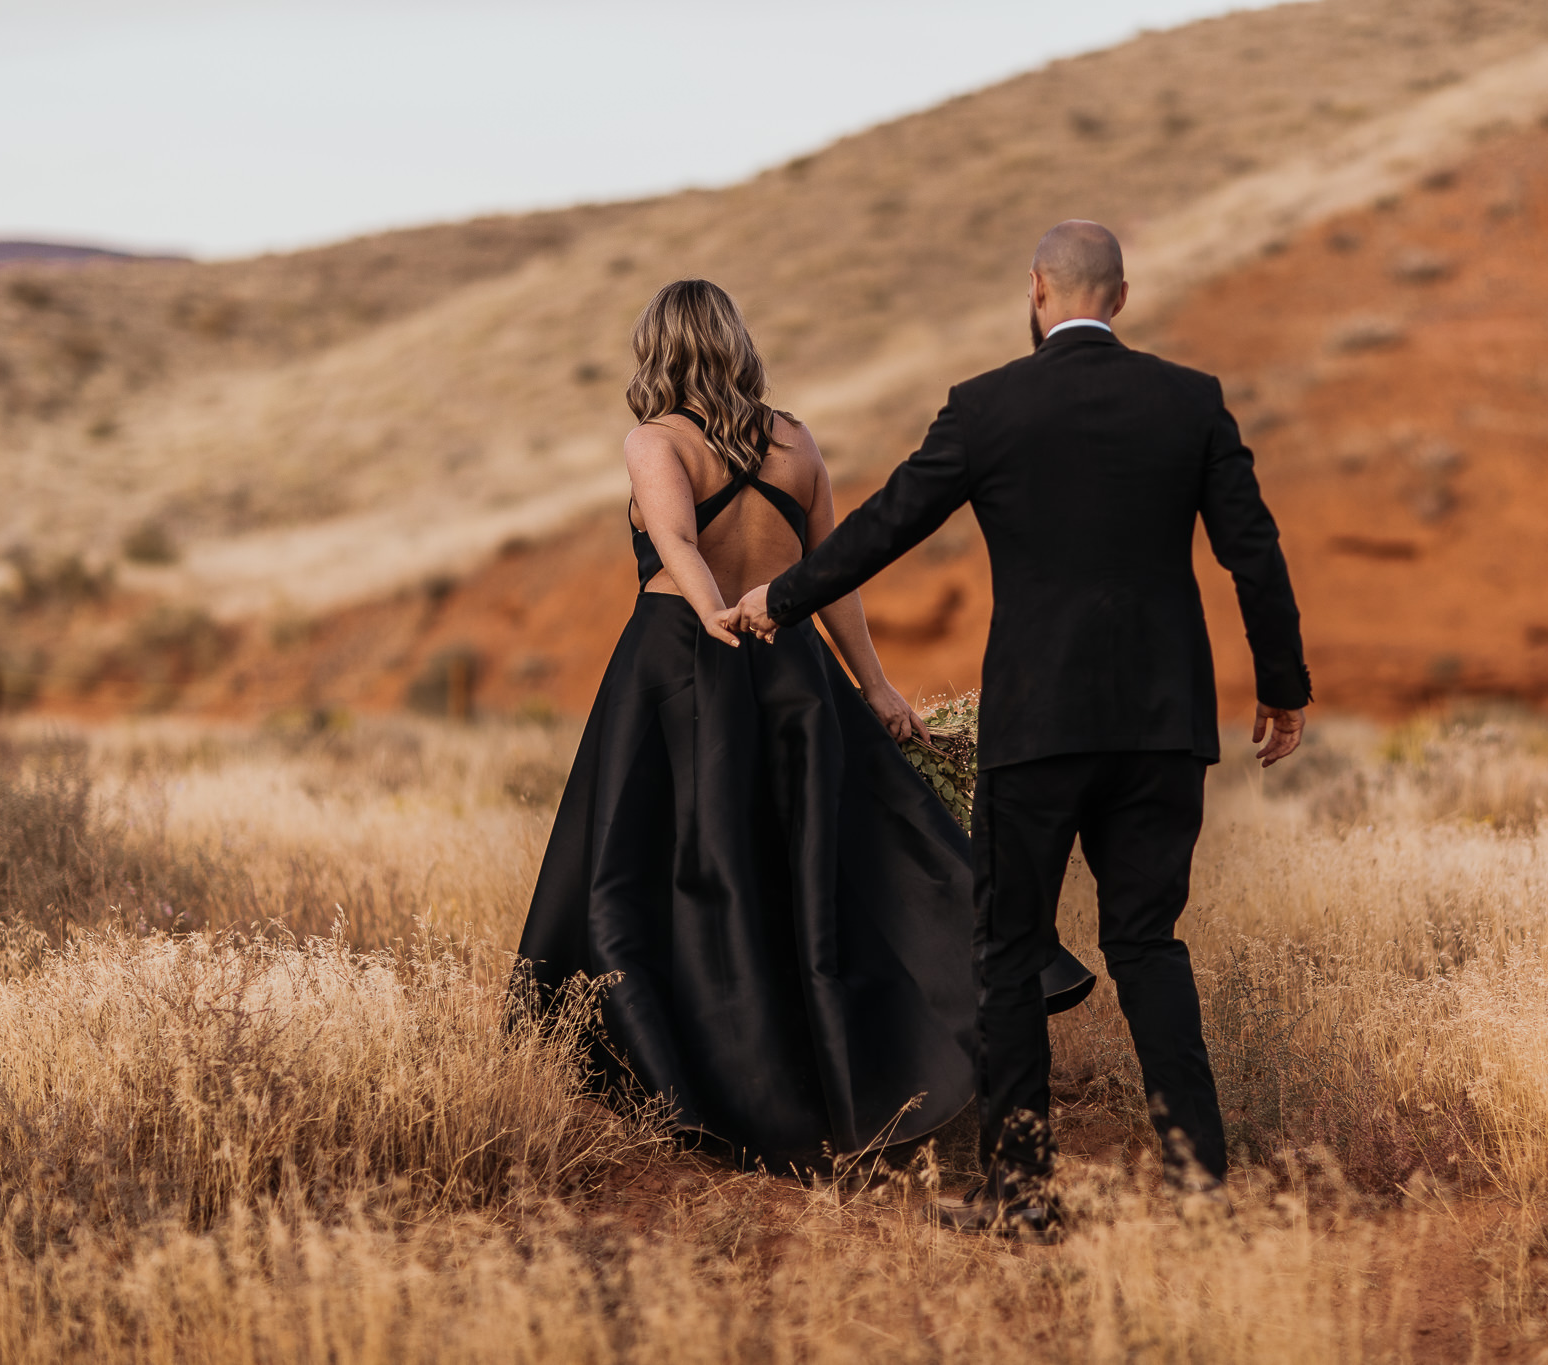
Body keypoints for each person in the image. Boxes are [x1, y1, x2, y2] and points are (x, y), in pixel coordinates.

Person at [723, 221, 1311, 1231]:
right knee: (1146, 943)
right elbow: (1250, 553)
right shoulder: (1189, 401)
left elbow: (884, 525)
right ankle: (1199, 1190)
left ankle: (1021, 1197)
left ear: (1036, 288)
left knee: (1005, 951)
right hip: (1160, 724)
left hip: (1037, 726)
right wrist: (1281, 684)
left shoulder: (988, 406)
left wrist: (781, 597)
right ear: (1119, 298)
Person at [515, 279, 1092, 1174]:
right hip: (791, 671)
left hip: (679, 665)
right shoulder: (796, 441)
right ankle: (854, 1069)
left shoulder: (653, 440)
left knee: (668, 880)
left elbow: (673, 538)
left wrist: (712, 616)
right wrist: (874, 686)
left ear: (659, 349)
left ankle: (721, 1090)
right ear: (736, 343)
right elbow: (834, 577)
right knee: (807, 877)